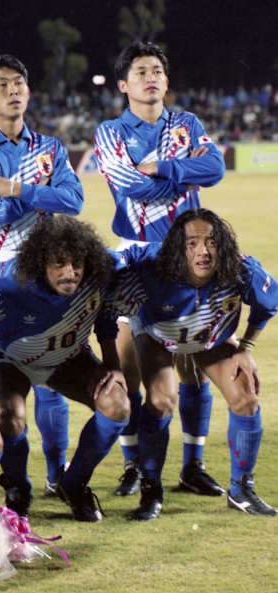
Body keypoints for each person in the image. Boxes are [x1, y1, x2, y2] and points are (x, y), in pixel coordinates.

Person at [0, 54, 84, 502]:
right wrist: (40, 198)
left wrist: (16, 189)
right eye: (3, 83)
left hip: (45, 267)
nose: (14, 90)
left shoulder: (49, 148)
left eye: (20, 82)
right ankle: (15, 481)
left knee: (50, 371)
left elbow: (74, 199)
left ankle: (56, 472)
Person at [95, 40, 226, 497]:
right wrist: (182, 175)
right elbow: (129, 185)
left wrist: (165, 166)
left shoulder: (187, 123)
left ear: (166, 81)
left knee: (191, 363)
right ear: (123, 85)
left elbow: (215, 168)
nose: (150, 77)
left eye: (157, 71)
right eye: (141, 71)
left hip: (188, 258)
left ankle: (193, 464)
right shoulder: (110, 132)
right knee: (131, 367)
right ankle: (133, 465)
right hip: (136, 256)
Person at [0, 215, 129, 521]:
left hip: (68, 356)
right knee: (9, 415)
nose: (70, 272)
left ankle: (74, 485)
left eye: (76, 263)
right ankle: (18, 487)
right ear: (40, 262)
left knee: (117, 404)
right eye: (59, 264)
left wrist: (113, 364)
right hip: (11, 358)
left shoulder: (103, 270)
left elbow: (108, 308)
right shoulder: (6, 282)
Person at [112, 209, 277, 519]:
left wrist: (246, 347)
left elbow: (268, 304)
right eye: (192, 243)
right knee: (161, 398)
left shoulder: (239, 270)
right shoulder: (153, 265)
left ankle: (241, 490)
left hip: (209, 336)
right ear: (178, 247)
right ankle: (151, 491)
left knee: (245, 394)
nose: (203, 251)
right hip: (157, 335)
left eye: (212, 242)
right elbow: (121, 260)